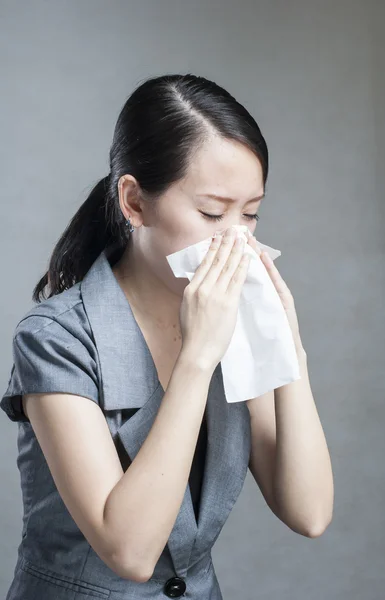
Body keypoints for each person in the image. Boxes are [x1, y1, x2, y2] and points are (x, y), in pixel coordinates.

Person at [0, 73, 265, 599]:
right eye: (213, 212)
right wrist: (196, 359)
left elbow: (309, 510)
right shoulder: (55, 338)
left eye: (252, 213)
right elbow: (131, 551)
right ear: (134, 202)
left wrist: (287, 337)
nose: (236, 238)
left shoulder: (240, 319)